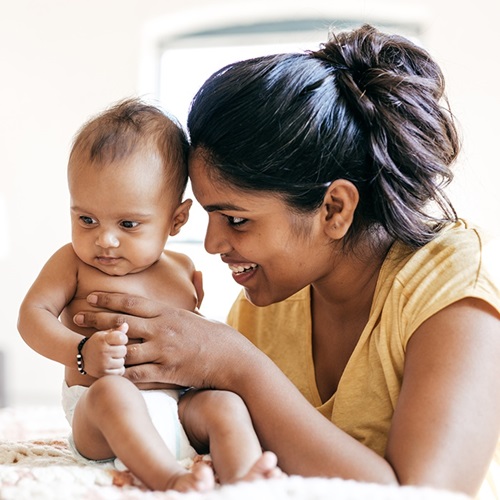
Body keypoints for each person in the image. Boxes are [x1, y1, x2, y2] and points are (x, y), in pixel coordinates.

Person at [70, 25, 500, 498]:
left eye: (235, 219)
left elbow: (427, 494)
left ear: (334, 209)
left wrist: (238, 366)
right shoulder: (267, 304)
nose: (212, 244)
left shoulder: (449, 289)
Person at [17, 98, 282, 492]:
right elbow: (31, 317)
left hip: (177, 407)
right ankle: (172, 479)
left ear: (176, 220)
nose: (104, 239)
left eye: (128, 223)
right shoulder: (72, 262)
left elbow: (191, 342)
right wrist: (81, 351)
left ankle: (244, 477)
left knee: (225, 405)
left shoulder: (182, 269)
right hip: (99, 415)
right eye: (86, 219)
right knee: (114, 392)